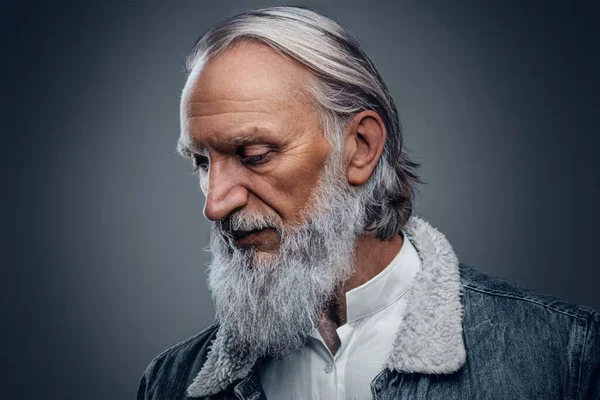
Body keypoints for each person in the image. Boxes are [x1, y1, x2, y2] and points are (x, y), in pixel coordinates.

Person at [137, 6, 599, 400]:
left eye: (254, 155)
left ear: (359, 148)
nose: (216, 203)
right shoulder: (170, 382)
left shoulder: (563, 357)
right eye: (201, 161)